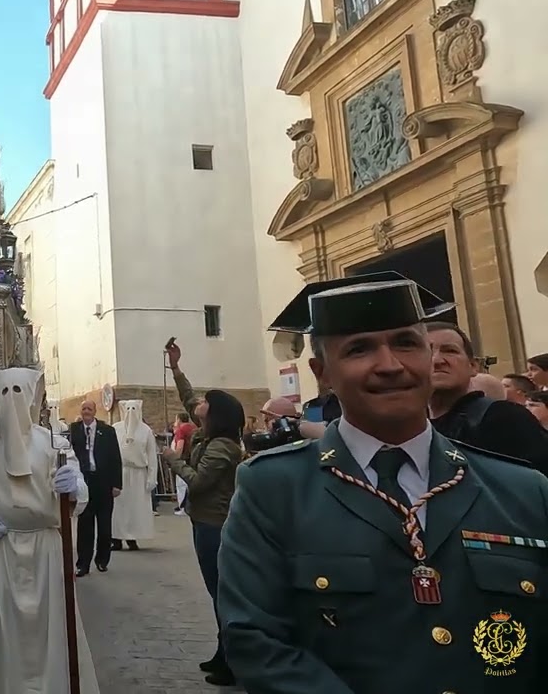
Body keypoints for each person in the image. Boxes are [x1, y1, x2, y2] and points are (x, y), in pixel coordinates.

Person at [219, 272, 548, 694]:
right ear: (323, 373)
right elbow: (257, 641)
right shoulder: (274, 489)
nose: (390, 365)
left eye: (407, 344)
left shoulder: (522, 490)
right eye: (359, 350)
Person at [0, 367, 101, 694]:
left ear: (31, 398)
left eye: (19, 391)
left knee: (48, 634)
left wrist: (73, 488)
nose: (12, 400)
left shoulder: (51, 441)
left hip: (45, 551)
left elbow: (77, 488)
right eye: (5, 391)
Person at [161, 383, 245, 687]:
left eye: (206, 402)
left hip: (215, 526)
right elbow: (188, 398)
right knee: (217, 593)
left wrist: (173, 459)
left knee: (221, 593)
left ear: (216, 413)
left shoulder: (222, 446)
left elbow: (197, 483)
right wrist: (176, 368)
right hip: (204, 522)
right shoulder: (209, 434)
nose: (200, 404)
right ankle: (223, 651)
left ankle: (231, 660)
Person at [426, 321, 548, 475]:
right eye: (427, 352)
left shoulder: (504, 417)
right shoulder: (409, 427)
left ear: (473, 366)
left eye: (450, 351)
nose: (437, 361)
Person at [67, 400, 122, 575]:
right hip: (84, 481)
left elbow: (115, 458)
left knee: (105, 526)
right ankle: (83, 564)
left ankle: (102, 560)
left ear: (95, 411)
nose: (86, 411)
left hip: (103, 482)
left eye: (89, 408)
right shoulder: (74, 430)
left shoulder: (107, 431)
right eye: (83, 408)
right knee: (85, 526)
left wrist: (117, 484)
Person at [110, 400, 159, 551]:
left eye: (134, 408)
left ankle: (133, 537)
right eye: (128, 408)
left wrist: (152, 477)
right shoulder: (116, 429)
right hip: (121, 472)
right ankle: (116, 538)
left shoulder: (146, 431)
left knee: (135, 507)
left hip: (138, 474)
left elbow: (151, 455)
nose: (131, 411)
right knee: (119, 507)